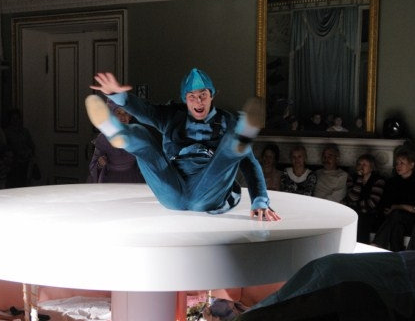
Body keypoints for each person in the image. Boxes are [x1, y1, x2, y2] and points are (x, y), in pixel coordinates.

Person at [86, 69, 278, 220]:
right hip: (173, 186)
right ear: (185, 99)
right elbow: (146, 111)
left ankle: (239, 140)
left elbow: (250, 163)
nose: (198, 101)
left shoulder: (227, 120)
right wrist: (118, 96)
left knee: (228, 152)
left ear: (212, 95)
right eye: (192, 96)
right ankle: (118, 132)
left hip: (208, 185)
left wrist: (260, 200)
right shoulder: (172, 115)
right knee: (144, 140)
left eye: (203, 95)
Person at [372, 147, 415, 252]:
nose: (398, 166)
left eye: (402, 163)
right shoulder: (392, 182)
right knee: (397, 226)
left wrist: (396, 206)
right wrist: (399, 207)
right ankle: (397, 255)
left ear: (412, 165)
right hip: (395, 219)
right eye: (397, 163)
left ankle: (377, 244)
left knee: (396, 214)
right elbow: (385, 204)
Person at [88, 102, 144, 184]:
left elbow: (148, 160)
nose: (123, 116)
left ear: (130, 116)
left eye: (126, 113)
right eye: (118, 113)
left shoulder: (137, 135)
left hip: (134, 179)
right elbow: (94, 165)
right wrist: (100, 163)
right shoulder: (104, 138)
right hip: (111, 180)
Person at [343, 153, 386, 243]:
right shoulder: (352, 177)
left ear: (371, 167)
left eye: (364, 164)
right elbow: (353, 198)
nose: (361, 167)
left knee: (362, 218)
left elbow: (372, 204)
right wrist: (359, 178)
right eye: (359, 164)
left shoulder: (379, 180)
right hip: (356, 211)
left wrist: (354, 204)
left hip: (372, 214)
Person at [4, 108, 36, 188]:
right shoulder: (6, 132)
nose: (15, 120)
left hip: (26, 162)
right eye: (13, 118)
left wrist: (29, 153)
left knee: (25, 184)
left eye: (17, 118)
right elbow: (5, 148)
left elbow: (31, 145)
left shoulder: (25, 131)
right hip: (13, 164)